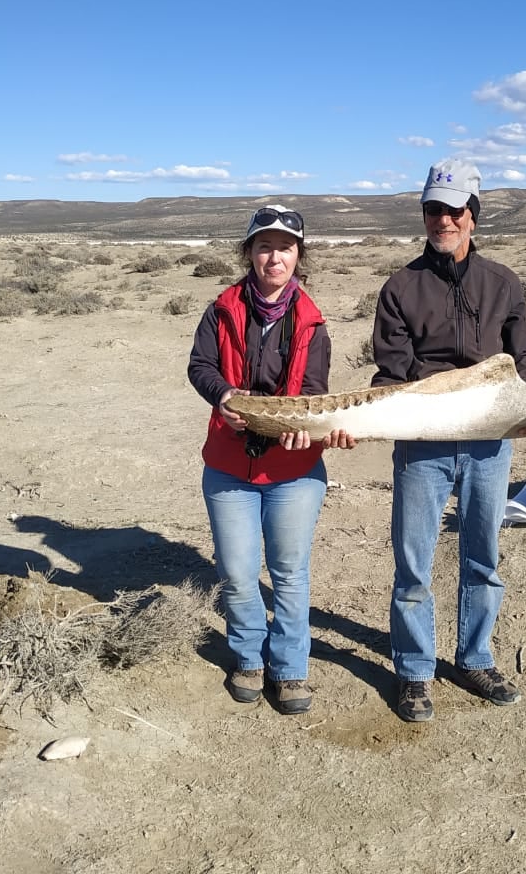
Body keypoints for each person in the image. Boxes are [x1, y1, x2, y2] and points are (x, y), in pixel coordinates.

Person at [371, 158, 526, 723]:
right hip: (423, 443)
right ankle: (415, 672)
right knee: (414, 563)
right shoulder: (400, 287)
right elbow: (392, 372)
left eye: (453, 210)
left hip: (490, 444)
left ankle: (474, 659)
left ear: (472, 215)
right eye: (433, 210)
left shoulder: (503, 283)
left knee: (483, 558)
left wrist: (525, 408)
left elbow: (523, 357)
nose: (443, 219)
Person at [187, 205, 353, 715]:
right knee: (236, 572)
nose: (274, 256)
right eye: (264, 246)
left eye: (284, 247)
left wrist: (309, 432)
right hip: (228, 466)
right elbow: (201, 366)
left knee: (289, 573)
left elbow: (313, 392)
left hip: (293, 471)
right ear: (249, 253)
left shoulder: (312, 322)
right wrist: (224, 398)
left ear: (298, 256)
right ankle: (247, 657)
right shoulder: (221, 309)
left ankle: (289, 667)